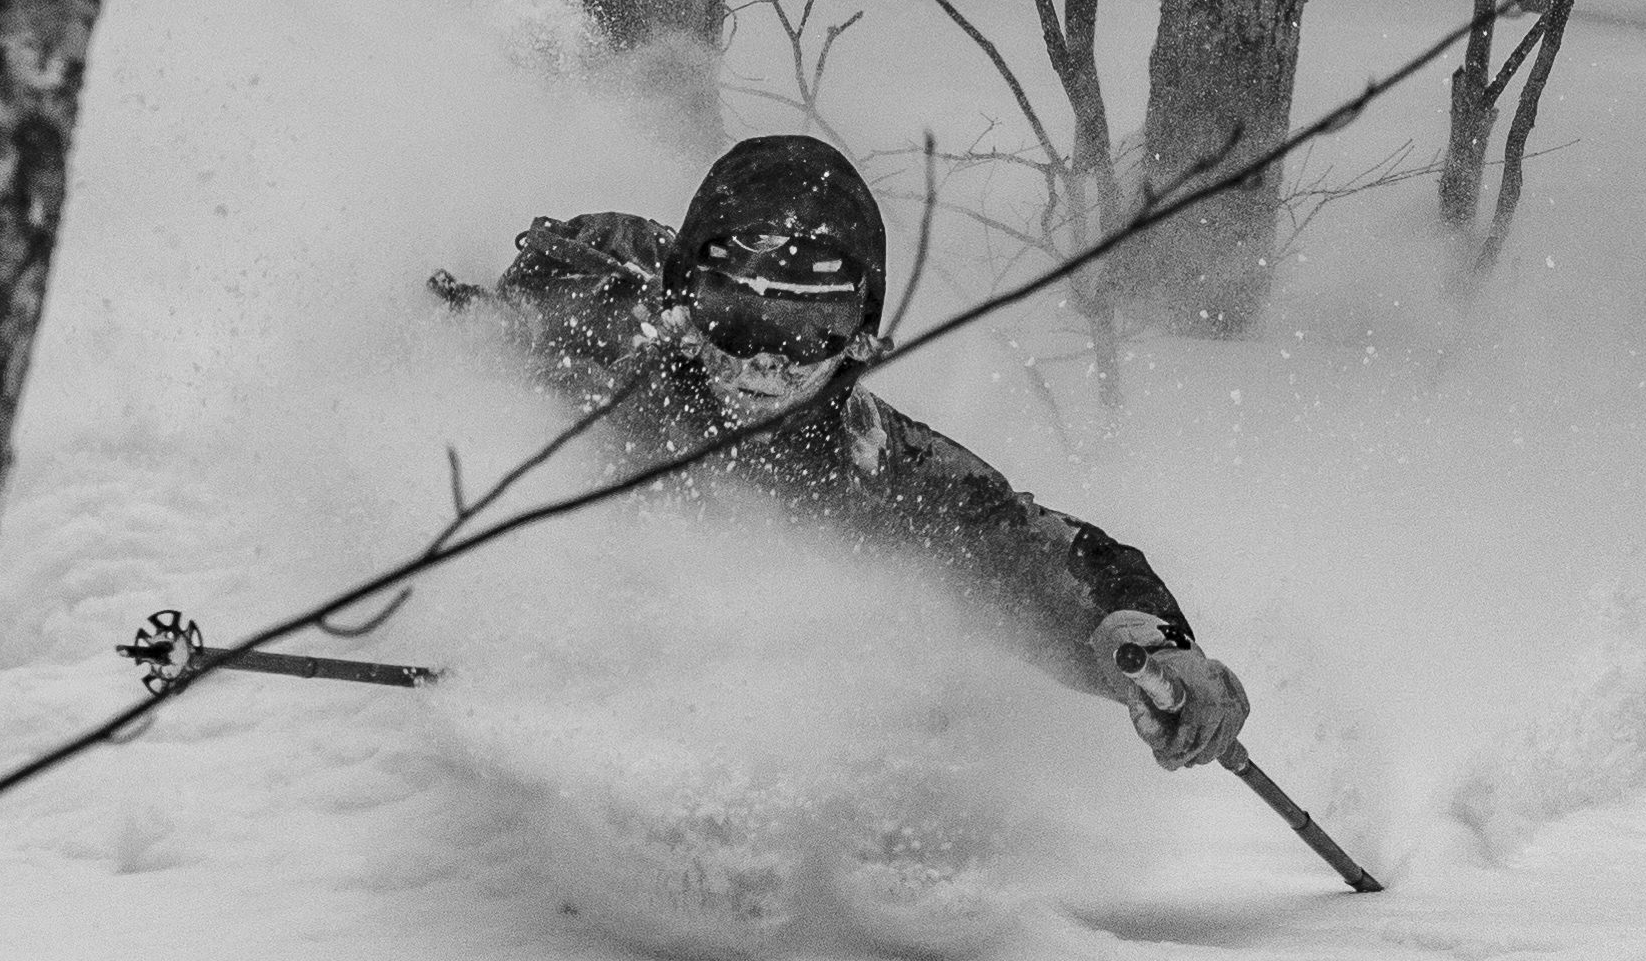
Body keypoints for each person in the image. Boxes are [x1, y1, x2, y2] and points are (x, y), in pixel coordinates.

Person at [445, 134, 1253, 771]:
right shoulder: (598, 322)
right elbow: (441, 366)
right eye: (737, 316)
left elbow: (1033, 550)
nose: (766, 361)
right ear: (680, 299)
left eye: (806, 333)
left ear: (861, 339)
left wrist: (1153, 646)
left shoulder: (870, 462)